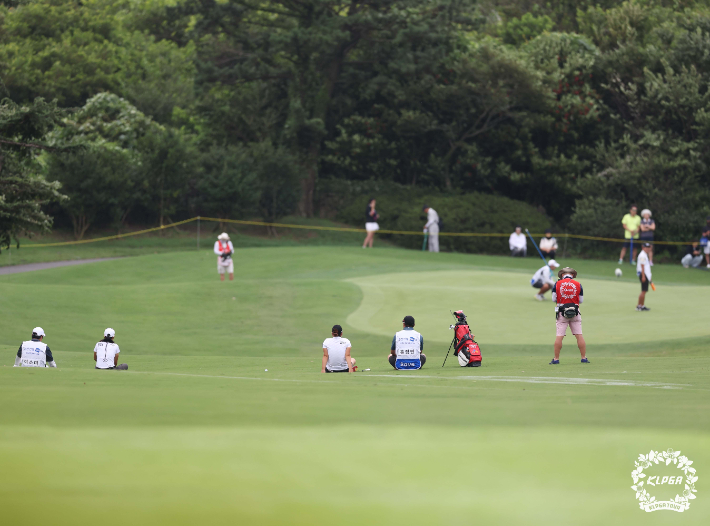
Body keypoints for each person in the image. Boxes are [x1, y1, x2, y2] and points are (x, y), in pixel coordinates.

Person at [550, 267, 588, 365]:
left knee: (559, 336)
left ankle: (556, 359)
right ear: (572, 275)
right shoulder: (578, 284)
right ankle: (583, 358)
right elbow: (581, 301)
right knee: (579, 335)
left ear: (562, 275)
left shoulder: (557, 284)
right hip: (575, 311)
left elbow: (554, 299)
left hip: (562, 312)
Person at [636, 243, 652, 312]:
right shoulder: (642, 255)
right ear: (643, 247)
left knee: (644, 291)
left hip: (646, 275)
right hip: (643, 275)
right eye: (646, 247)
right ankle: (639, 306)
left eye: (648, 247)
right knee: (643, 291)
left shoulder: (645, 254)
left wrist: (649, 278)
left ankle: (642, 305)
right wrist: (643, 276)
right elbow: (642, 266)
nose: (648, 248)